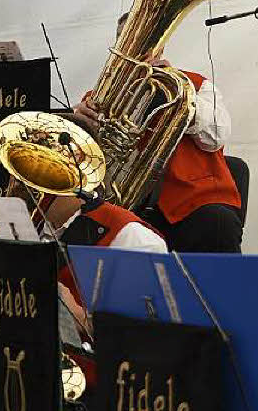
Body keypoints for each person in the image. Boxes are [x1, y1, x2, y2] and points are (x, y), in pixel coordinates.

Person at [72, 13, 243, 252]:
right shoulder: (97, 97)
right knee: (84, 226)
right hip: (126, 205)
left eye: (148, 41)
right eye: (129, 41)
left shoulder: (194, 85)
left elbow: (216, 136)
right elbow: (84, 165)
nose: (138, 50)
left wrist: (179, 97)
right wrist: (81, 130)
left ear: (160, 47)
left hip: (193, 204)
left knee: (215, 222)